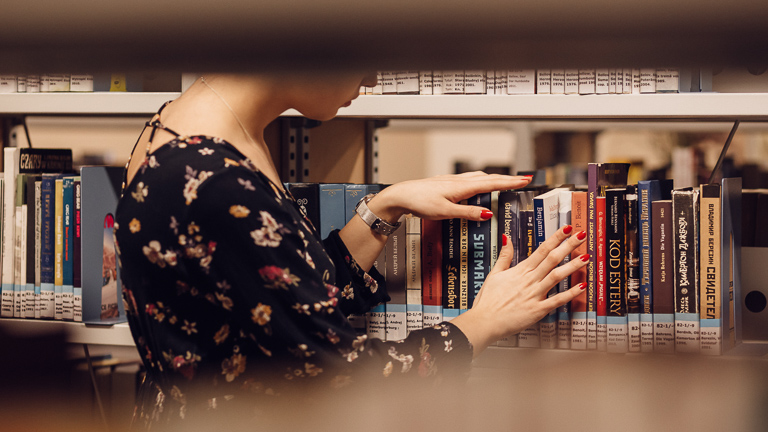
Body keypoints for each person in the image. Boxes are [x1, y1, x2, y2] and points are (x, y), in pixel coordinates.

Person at [115, 72, 588, 429]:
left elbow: (277, 309)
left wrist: (386, 205)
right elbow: (338, 378)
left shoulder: (180, 124)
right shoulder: (215, 181)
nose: (373, 77)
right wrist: (483, 321)